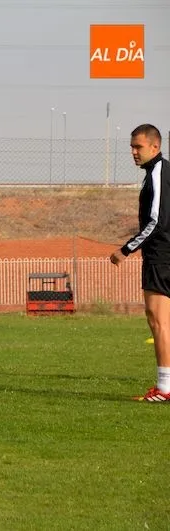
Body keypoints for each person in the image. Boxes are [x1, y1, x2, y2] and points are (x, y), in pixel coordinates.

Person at [110, 124, 170, 402]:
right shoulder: (158, 173)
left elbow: (156, 221)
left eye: (138, 147)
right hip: (163, 256)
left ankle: (164, 388)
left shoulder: (158, 173)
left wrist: (126, 249)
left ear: (155, 147)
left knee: (158, 321)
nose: (134, 152)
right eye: (131, 147)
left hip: (160, 258)